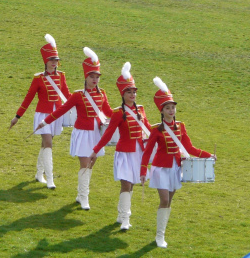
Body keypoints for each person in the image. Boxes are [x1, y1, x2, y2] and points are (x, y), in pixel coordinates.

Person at [140, 77, 215, 248]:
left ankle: (162, 234)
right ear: (162, 110)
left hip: (175, 168)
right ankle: (159, 237)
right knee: (164, 200)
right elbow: (147, 152)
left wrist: (208, 155)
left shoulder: (180, 127)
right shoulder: (156, 129)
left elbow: (190, 147)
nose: (171, 110)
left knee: (169, 201)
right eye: (168, 108)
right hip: (160, 168)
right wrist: (143, 171)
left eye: (173, 107)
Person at [35, 47, 112, 210]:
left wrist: (123, 113)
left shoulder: (102, 94)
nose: (95, 80)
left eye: (97, 77)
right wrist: (45, 121)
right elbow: (61, 110)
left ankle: (80, 194)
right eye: (92, 76)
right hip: (82, 134)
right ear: (86, 77)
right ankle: (84, 198)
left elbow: (109, 112)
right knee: (84, 164)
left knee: (91, 164)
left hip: (96, 134)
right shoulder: (78, 95)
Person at [90, 63, 152, 231]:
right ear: (122, 94)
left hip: (138, 152)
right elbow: (108, 134)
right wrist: (95, 150)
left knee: (131, 185)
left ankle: (121, 214)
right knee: (125, 185)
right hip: (124, 153)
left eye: (134, 92)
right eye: (129, 92)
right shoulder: (118, 113)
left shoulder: (141, 110)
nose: (132, 94)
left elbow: (148, 129)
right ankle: (126, 218)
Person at [9, 34, 70, 189]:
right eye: (51, 60)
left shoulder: (62, 76)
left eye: (56, 60)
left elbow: (68, 96)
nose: (53, 63)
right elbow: (28, 98)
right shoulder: (38, 78)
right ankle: (50, 180)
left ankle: (38, 173)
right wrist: (17, 116)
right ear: (45, 61)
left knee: (45, 144)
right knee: (48, 144)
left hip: (56, 115)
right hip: (43, 114)